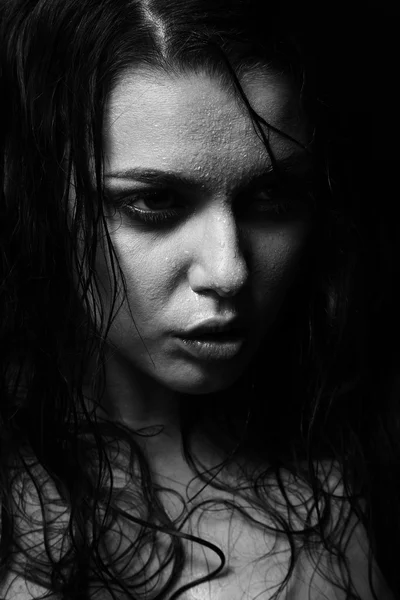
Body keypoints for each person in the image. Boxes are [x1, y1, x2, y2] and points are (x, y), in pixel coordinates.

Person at [0, 1, 397, 599]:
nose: (230, 270)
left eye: (270, 196)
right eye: (155, 202)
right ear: (40, 202)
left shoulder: (362, 483)